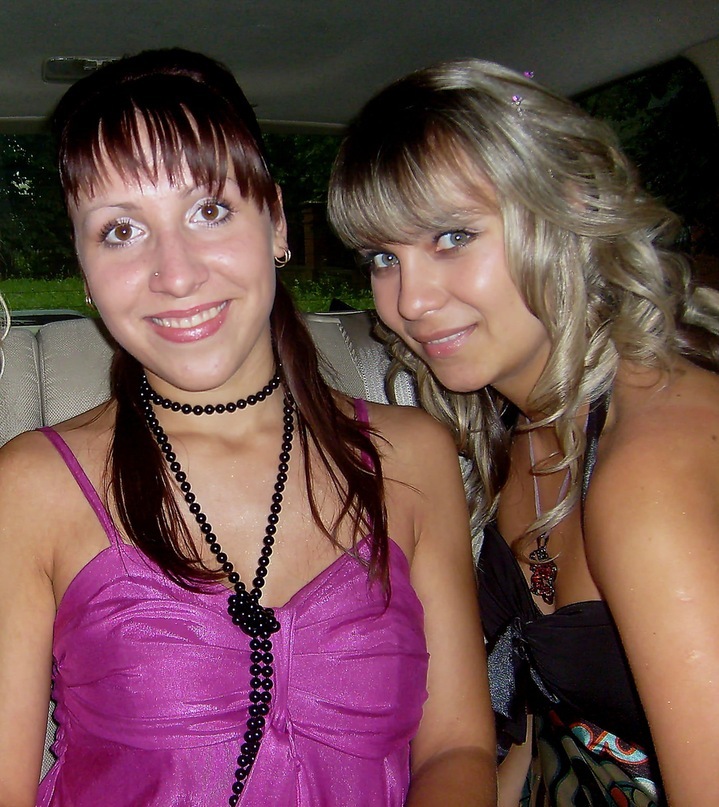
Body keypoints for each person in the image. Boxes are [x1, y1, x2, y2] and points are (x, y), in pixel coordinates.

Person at [0, 49, 497, 806]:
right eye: (120, 231)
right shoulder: (30, 488)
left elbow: (458, 747)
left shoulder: (414, 456)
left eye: (209, 211)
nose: (176, 274)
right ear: (85, 267)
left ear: (276, 223)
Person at [327, 58, 719, 806]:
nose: (410, 300)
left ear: (566, 207)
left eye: (452, 236)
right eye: (383, 257)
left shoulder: (649, 470)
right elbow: (548, 734)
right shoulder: (534, 429)